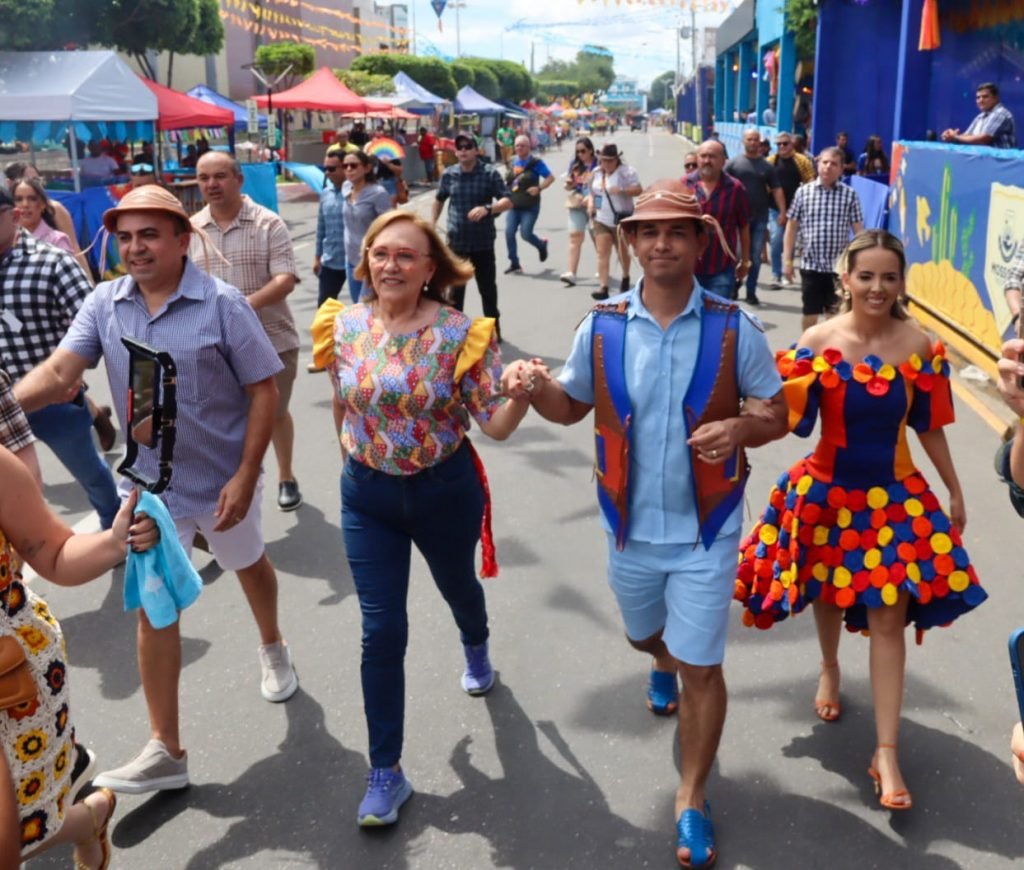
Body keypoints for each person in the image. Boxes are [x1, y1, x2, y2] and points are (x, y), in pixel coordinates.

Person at [505, 180, 787, 867]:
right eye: (648, 232)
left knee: (703, 668)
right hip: (627, 526)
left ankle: (691, 796)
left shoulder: (733, 326)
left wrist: (739, 427)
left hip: (708, 530)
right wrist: (535, 386)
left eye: (677, 232)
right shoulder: (600, 325)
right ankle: (658, 658)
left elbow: (778, 414)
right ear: (631, 243)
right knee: (644, 637)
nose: (662, 242)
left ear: (698, 243)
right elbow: (571, 408)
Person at [14, 185, 299, 794]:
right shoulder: (104, 302)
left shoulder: (223, 305)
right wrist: (4, 404)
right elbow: (64, 372)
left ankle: (272, 644)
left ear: (179, 239)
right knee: (153, 605)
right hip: (149, 489)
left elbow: (264, 392)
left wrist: (248, 475)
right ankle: (166, 748)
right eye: (125, 237)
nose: (135, 248)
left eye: (149, 235)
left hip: (221, 483)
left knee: (248, 566)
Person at [735, 229, 986, 813]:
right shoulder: (818, 340)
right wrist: (735, 423)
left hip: (895, 502)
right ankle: (828, 668)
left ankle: (887, 751)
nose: (878, 287)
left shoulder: (920, 345)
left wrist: (953, 489)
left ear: (902, 283)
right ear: (846, 279)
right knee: (826, 590)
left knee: (888, 617)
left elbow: (929, 424)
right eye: (866, 276)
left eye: (889, 277)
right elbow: (782, 417)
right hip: (826, 494)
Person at [309, 209, 532, 827]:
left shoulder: (461, 333)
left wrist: (522, 394)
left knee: (458, 587)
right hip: (368, 499)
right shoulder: (343, 324)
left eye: (406, 256)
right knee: (381, 631)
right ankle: (386, 770)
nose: (391, 265)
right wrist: (355, 465)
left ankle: (476, 645)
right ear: (367, 262)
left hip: (443, 492)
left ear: (431, 268)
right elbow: (341, 403)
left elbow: (494, 425)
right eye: (381, 254)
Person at [1, 446, 157, 867]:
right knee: (18, 830)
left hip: (11, 680)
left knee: (9, 838)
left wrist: (115, 539)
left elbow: (52, 553)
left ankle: (74, 808)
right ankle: (86, 818)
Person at [0, 188, 121, 530]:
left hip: (52, 399)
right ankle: (18, 566)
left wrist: (70, 375)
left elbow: (94, 325)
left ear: (14, 216)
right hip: (1, 406)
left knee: (90, 473)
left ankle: (115, 527)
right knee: (14, 492)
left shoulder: (52, 262)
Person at [192, 151, 304, 513]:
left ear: (239, 180)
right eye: (204, 177)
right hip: (212, 348)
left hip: (272, 341)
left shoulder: (268, 224)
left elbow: (285, 280)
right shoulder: (191, 231)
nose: (212, 184)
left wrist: (237, 310)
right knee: (224, 424)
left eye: (220, 176)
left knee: (271, 414)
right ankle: (235, 495)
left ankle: (286, 474)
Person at [431, 133, 513, 341]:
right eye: (460, 147)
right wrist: (431, 224)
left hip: (483, 243)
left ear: (477, 150)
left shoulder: (489, 173)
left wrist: (488, 208)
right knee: (455, 292)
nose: (463, 150)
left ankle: (494, 330)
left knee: (487, 290)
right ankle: (454, 333)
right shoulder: (449, 175)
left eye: (468, 146)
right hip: (457, 243)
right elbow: (439, 199)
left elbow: (508, 200)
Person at [783, 147, 865, 331]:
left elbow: (858, 230)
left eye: (834, 164)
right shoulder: (804, 192)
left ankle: (830, 353)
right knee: (810, 314)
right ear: (818, 164)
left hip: (838, 268)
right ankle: (807, 349)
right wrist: (787, 261)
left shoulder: (849, 195)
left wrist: (861, 262)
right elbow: (791, 227)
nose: (828, 167)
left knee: (834, 314)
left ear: (841, 169)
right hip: (811, 266)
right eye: (825, 162)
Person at [725, 128, 786, 306]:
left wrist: (782, 211)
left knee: (755, 257)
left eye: (755, 140)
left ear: (760, 143)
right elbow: (723, 187)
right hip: (736, 220)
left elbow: (777, 189)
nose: (753, 142)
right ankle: (735, 286)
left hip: (759, 218)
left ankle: (751, 292)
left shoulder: (766, 166)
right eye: (749, 139)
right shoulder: (733, 164)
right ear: (743, 141)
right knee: (736, 256)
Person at [687, 139, 752, 300]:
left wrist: (745, 262)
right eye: (703, 156)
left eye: (713, 156)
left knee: (717, 319)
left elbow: (744, 226)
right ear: (697, 158)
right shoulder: (684, 185)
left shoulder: (735, 188)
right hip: (687, 268)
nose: (707, 161)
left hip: (721, 268)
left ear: (723, 160)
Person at [587, 143, 642, 300]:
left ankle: (625, 276)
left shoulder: (627, 173)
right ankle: (603, 286)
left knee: (623, 251)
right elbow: (593, 193)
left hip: (622, 219)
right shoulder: (596, 173)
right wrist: (592, 205)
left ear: (617, 160)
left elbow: (639, 190)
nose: (607, 164)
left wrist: (622, 190)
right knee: (602, 253)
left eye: (610, 160)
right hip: (601, 219)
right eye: (604, 160)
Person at [339, 150, 392, 302]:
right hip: (351, 260)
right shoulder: (345, 188)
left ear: (367, 168)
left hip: (371, 261)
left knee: (366, 307)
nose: (349, 169)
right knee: (357, 307)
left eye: (354, 165)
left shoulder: (378, 193)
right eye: (345, 166)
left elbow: (388, 226)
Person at [766, 132, 816, 287]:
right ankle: (776, 273)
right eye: (779, 144)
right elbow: (765, 184)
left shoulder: (801, 161)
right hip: (774, 208)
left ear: (791, 144)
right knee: (775, 240)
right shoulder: (771, 162)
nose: (782, 147)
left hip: (796, 209)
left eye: (785, 143)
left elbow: (810, 181)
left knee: (790, 242)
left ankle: (787, 271)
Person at [504, 135, 554, 276]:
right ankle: (514, 263)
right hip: (513, 205)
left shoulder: (535, 162)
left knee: (525, 234)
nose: (519, 148)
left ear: (529, 147)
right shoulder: (512, 161)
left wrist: (538, 188)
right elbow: (509, 181)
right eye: (517, 145)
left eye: (522, 145)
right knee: (509, 233)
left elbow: (550, 178)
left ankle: (541, 245)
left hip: (530, 206)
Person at [560, 136, 598, 287]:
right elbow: (570, 184)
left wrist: (592, 197)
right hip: (577, 202)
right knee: (575, 236)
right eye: (577, 152)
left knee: (598, 238)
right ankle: (571, 273)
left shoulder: (599, 164)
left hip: (596, 204)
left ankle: (602, 268)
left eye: (583, 151)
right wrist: (568, 184)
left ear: (590, 150)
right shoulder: (575, 165)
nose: (580, 155)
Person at [314, 150, 348, 312]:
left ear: (344, 168)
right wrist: (317, 257)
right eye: (325, 169)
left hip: (355, 261)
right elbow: (321, 228)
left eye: (332, 169)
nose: (328, 173)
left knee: (363, 308)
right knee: (324, 308)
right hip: (331, 260)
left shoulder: (358, 193)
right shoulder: (325, 194)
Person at [942, 82, 1017, 149]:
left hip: (1001, 162)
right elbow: (967, 136)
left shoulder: (1001, 113)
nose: (980, 100)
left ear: (996, 98)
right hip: (982, 160)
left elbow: (984, 139)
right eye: (978, 97)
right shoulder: (980, 117)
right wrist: (951, 137)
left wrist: (956, 137)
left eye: (985, 96)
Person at [11, 177, 73, 254]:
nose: (25, 204)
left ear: (43, 204)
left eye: (32, 199)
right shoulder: (7, 239)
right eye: (19, 199)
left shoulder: (57, 240)